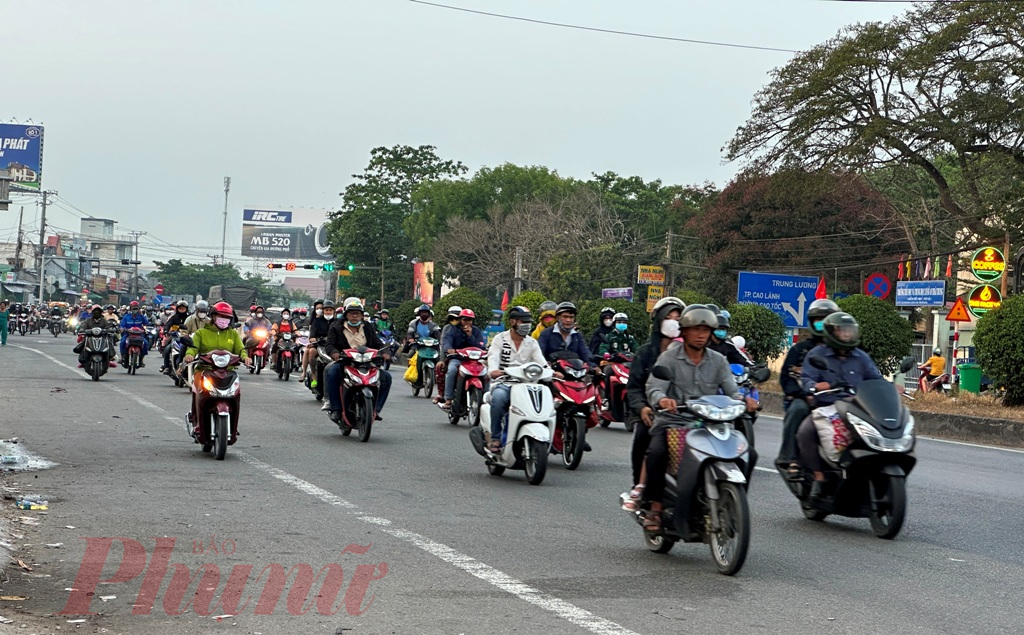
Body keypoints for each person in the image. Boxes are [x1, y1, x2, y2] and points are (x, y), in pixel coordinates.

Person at [642, 304, 757, 532]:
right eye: (695, 329)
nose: (701, 334)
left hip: (711, 423)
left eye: (705, 330)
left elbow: (732, 391)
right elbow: (654, 387)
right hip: (674, 422)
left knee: (749, 454)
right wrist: (663, 399)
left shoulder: (718, 360)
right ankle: (655, 508)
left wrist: (745, 400)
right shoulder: (669, 358)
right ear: (684, 331)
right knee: (656, 452)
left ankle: (731, 501)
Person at [798, 312, 884, 499]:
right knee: (805, 431)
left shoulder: (861, 356)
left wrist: (889, 387)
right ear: (831, 332)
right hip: (827, 407)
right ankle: (819, 477)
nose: (847, 334)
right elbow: (807, 379)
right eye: (842, 330)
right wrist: (815, 386)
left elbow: (875, 379)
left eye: (849, 331)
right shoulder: (817, 354)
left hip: (858, 406)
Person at [620, 297, 685, 511]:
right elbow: (634, 387)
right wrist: (643, 408)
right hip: (650, 411)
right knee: (643, 437)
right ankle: (640, 487)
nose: (673, 322)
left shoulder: (689, 352)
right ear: (658, 321)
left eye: (678, 318)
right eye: (668, 317)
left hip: (685, 413)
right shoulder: (646, 352)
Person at [776, 298, 839, 475]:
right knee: (798, 409)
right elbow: (786, 379)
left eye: (826, 320)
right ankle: (791, 457)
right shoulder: (800, 349)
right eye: (818, 320)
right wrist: (803, 394)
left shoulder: (841, 348)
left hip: (836, 399)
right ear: (811, 322)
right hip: (806, 398)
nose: (822, 324)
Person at [485, 306, 551, 452]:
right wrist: (494, 370)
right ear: (512, 322)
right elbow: (493, 358)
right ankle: (496, 438)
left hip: (526, 385)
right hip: (503, 383)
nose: (527, 325)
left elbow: (542, 363)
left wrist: (552, 372)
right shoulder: (499, 339)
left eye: (528, 322)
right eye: (523, 321)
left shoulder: (532, 343)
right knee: (499, 398)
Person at [182, 302, 251, 437]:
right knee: (198, 391)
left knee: (236, 394)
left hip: (227, 371)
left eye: (227, 318)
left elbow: (240, 349)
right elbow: (193, 347)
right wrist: (189, 355)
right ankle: (196, 422)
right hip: (204, 370)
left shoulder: (233, 334)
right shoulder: (201, 333)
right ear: (213, 316)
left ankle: (233, 426)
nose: (223, 320)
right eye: (220, 316)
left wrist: (245, 357)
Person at [323, 298, 392, 423]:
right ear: (345, 314)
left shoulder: (367, 326)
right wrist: (335, 353)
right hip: (346, 361)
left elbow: (378, 343)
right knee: (331, 371)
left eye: (358, 313)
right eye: (351, 313)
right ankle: (335, 408)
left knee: (386, 377)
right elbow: (329, 344)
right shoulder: (336, 326)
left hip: (367, 362)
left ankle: (376, 409)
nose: (355, 316)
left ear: (362, 315)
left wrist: (385, 352)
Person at [440, 309, 486, 411]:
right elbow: (447, 341)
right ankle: (448, 399)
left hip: (474, 361)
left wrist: (470, 336)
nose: (467, 322)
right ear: (460, 320)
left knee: (486, 374)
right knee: (451, 371)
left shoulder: (476, 331)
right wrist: (449, 349)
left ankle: (486, 400)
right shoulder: (453, 329)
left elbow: (480, 346)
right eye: (465, 319)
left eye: (470, 320)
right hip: (458, 359)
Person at [160, 301, 191, 373]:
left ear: (186, 309)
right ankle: (166, 366)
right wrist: (166, 331)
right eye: (180, 309)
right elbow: (168, 325)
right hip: (175, 336)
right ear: (177, 309)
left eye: (183, 309)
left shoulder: (189, 318)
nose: (182, 310)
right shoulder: (174, 317)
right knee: (167, 349)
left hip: (187, 337)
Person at [298, 299, 326, 382]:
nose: (320, 310)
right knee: (309, 351)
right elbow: (312, 335)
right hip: (318, 343)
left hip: (329, 344)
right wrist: (314, 339)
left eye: (321, 308)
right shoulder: (315, 321)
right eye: (318, 308)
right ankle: (307, 373)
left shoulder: (334, 321)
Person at [118, 301, 151, 367]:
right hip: (128, 335)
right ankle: (122, 358)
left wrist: (145, 327)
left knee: (146, 343)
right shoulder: (126, 317)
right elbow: (122, 325)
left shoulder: (141, 317)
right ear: (130, 309)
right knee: (122, 342)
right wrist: (122, 329)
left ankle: (141, 360)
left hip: (139, 335)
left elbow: (146, 323)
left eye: (136, 308)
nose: (135, 310)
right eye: (133, 308)